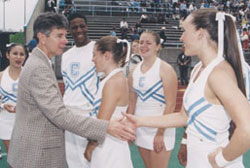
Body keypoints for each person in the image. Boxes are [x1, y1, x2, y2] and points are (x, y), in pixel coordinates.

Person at [124, 8, 250, 168]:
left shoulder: (218, 74)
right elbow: (184, 116)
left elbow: (247, 128)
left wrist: (221, 160)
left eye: (184, 31)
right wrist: (139, 121)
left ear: (200, 33)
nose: (181, 37)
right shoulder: (199, 68)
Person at [7, 12, 135, 168]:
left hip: (43, 145)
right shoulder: (39, 67)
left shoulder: (41, 63)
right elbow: (59, 114)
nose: (65, 41)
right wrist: (105, 127)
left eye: (65, 35)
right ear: (42, 37)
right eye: (59, 36)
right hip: (37, 152)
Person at [127, 30, 177, 168]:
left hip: (160, 128)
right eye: (141, 42)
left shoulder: (166, 69)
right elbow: (132, 103)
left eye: (148, 43)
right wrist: (129, 127)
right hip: (141, 128)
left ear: (157, 46)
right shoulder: (133, 72)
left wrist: (160, 133)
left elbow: (171, 104)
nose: (143, 46)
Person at [84, 36, 133, 168]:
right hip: (106, 144)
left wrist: (90, 145)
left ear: (106, 55)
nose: (92, 59)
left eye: (94, 55)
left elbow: (102, 122)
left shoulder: (114, 82)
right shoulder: (110, 79)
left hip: (110, 148)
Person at [61, 12, 98, 168]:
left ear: (87, 27)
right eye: (74, 27)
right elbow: (68, 87)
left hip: (90, 115)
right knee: (73, 162)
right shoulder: (66, 55)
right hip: (69, 116)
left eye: (82, 26)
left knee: (92, 159)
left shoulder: (98, 49)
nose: (79, 30)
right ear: (69, 30)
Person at [0, 43, 27, 168]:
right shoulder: (1, 76)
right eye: (15, 53)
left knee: (25, 160)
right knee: (13, 162)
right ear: (7, 55)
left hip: (26, 122)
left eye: (22, 54)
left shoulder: (29, 75)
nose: (18, 57)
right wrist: (3, 105)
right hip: (6, 122)